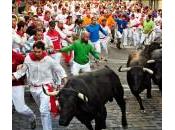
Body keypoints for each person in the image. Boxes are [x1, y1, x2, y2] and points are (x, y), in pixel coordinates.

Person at [12, 41, 67, 130]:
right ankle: (54, 107)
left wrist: (66, 81)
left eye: (39, 52)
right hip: (33, 89)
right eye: (35, 52)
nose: (36, 54)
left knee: (43, 111)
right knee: (43, 110)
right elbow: (21, 72)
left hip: (46, 88)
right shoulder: (28, 58)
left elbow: (60, 70)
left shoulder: (48, 60)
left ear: (43, 51)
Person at [12, 50, 36, 129]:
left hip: (16, 85)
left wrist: (23, 65)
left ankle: (32, 116)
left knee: (20, 109)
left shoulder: (18, 56)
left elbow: (30, 66)